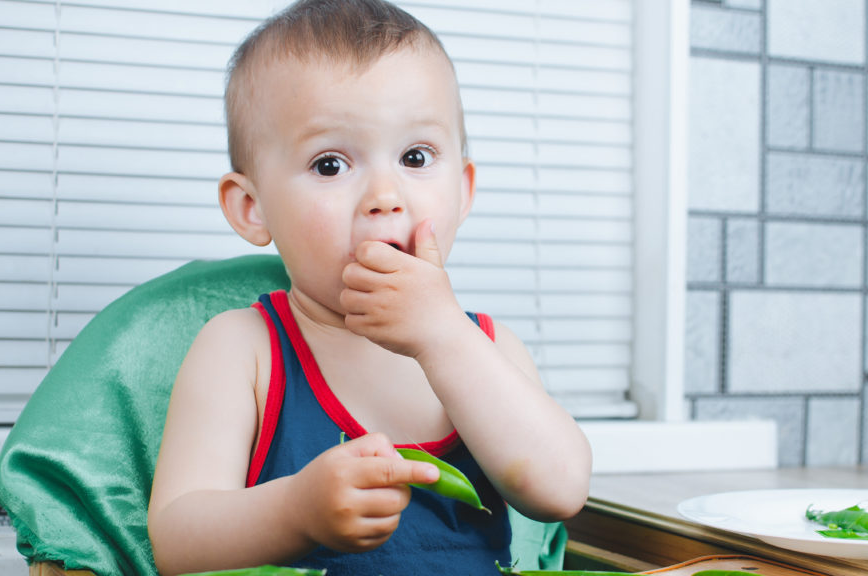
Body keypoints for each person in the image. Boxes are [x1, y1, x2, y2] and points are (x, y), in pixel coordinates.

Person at [146, 1, 592, 574]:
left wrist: (440, 335)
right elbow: (177, 542)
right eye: (330, 165)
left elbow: (559, 489)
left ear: (463, 188)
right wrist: (295, 514)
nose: (385, 194)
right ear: (252, 207)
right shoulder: (243, 349)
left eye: (415, 156)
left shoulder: (489, 348)